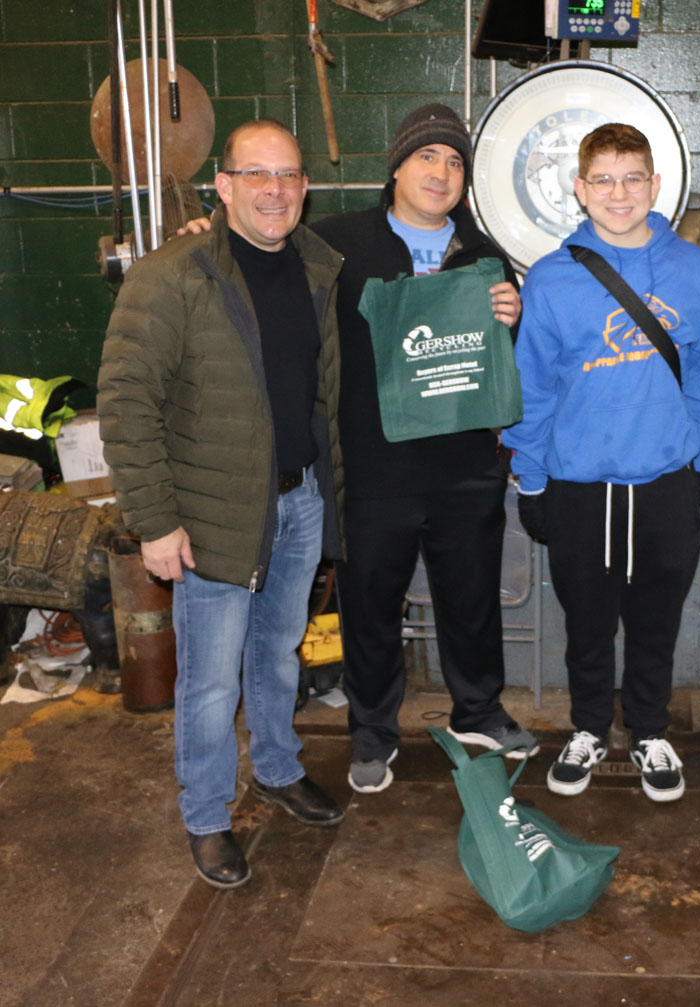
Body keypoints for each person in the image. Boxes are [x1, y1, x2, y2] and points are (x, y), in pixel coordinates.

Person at [99, 119, 346, 890]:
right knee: (208, 679)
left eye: (288, 175)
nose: (274, 190)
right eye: (257, 174)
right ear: (225, 185)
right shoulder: (173, 275)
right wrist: (156, 520)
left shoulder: (317, 265)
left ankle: (275, 766)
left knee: (277, 652)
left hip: (296, 500)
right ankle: (206, 816)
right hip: (208, 516)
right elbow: (126, 403)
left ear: (304, 188)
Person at [309, 104, 538, 794]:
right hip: (376, 469)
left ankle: (479, 710)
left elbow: (499, 362)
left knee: (472, 599)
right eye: (427, 157)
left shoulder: (483, 255)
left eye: (455, 161)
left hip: (465, 465)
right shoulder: (334, 244)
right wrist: (210, 227)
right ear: (398, 168)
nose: (441, 172)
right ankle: (373, 733)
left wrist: (514, 318)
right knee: (371, 608)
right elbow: (258, 258)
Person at [503, 123, 700, 803]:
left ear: (656, 185)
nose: (619, 193)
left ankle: (651, 729)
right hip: (579, 484)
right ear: (580, 188)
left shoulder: (690, 266)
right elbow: (532, 386)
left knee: (658, 618)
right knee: (589, 622)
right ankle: (591, 727)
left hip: (664, 477)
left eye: (633, 178)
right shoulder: (551, 277)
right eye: (603, 179)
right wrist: (531, 477)